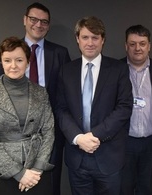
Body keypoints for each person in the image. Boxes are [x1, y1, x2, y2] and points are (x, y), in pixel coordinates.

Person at [0, 3, 71, 195]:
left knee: (49, 187)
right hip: (13, 138)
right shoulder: (7, 51)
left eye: (44, 21)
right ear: (25, 20)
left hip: (49, 135)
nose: (38, 24)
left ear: (48, 25)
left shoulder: (60, 53)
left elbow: (67, 95)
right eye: (34, 19)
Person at [56, 16, 133, 195]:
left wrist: (95, 135)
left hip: (109, 156)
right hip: (77, 157)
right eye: (85, 37)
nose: (90, 42)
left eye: (95, 37)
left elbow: (124, 107)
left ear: (103, 40)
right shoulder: (66, 71)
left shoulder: (118, 69)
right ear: (77, 39)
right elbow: (60, 109)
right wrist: (78, 138)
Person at [0, 36, 55, 195]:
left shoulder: (41, 93)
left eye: (19, 60)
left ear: (27, 62)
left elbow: (48, 130)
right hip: (1, 172)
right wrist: (18, 173)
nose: (13, 66)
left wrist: (37, 168)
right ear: (1, 62)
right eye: (7, 60)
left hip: (37, 172)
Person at [120, 24, 152, 195]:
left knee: (147, 188)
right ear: (126, 46)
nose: (137, 48)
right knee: (123, 188)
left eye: (142, 43)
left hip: (151, 141)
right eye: (132, 43)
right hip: (124, 141)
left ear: (149, 46)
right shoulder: (115, 68)